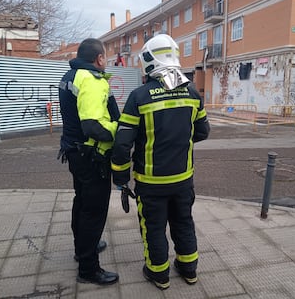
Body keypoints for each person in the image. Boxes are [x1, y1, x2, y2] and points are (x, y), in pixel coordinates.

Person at [111, 34, 210, 290]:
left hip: (151, 183)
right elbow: (202, 132)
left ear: (148, 61)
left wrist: (120, 178)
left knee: (154, 228)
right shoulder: (192, 92)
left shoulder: (139, 96)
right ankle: (189, 270)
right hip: (183, 178)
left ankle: (159, 274)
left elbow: (123, 144)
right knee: (184, 222)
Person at [58, 38, 120, 286]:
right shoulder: (92, 80)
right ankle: (88, 268)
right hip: (92, 156)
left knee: (81, 202)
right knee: (93, 212)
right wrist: (120, 129)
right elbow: (93, 126)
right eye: (105, 57)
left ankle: (83, 247)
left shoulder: (70, 76)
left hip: (74, 152)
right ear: (99, 58)